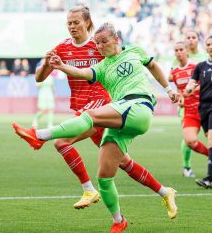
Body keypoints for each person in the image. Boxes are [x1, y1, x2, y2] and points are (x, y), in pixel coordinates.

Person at [13, 22, 179, 232]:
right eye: (97, 43)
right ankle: (120, 220)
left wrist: (168, 89)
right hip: (120, 113)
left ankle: (38, 136)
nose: (100, 46)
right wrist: (61, 66)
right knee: (105, 176)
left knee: (89, 116)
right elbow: (82, 73)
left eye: (104, 41)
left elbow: (153, 66)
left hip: (139, 106)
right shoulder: (102, 66)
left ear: (116, 39)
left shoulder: (135, 50)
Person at [169, 41, 212, 181]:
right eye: (176, 50)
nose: (178, 52)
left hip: (205, 107)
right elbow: (179, 89)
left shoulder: (199, 66)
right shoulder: (174, 72)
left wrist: (192, 90)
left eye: (181, 49)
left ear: (187, 51)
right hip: (189, 111)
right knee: (190, 141)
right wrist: (180, 97)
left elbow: (208, 85)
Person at [32, 58, 55, 128]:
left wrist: (54, 93)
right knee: (43, 110)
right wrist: (41, 79)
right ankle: (35, 119)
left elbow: (52, 86)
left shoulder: (50, 75)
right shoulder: (39, 73)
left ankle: (50, 124)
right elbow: (37, 85)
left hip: (50, 94)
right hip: (42, 93)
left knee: (51, 109)